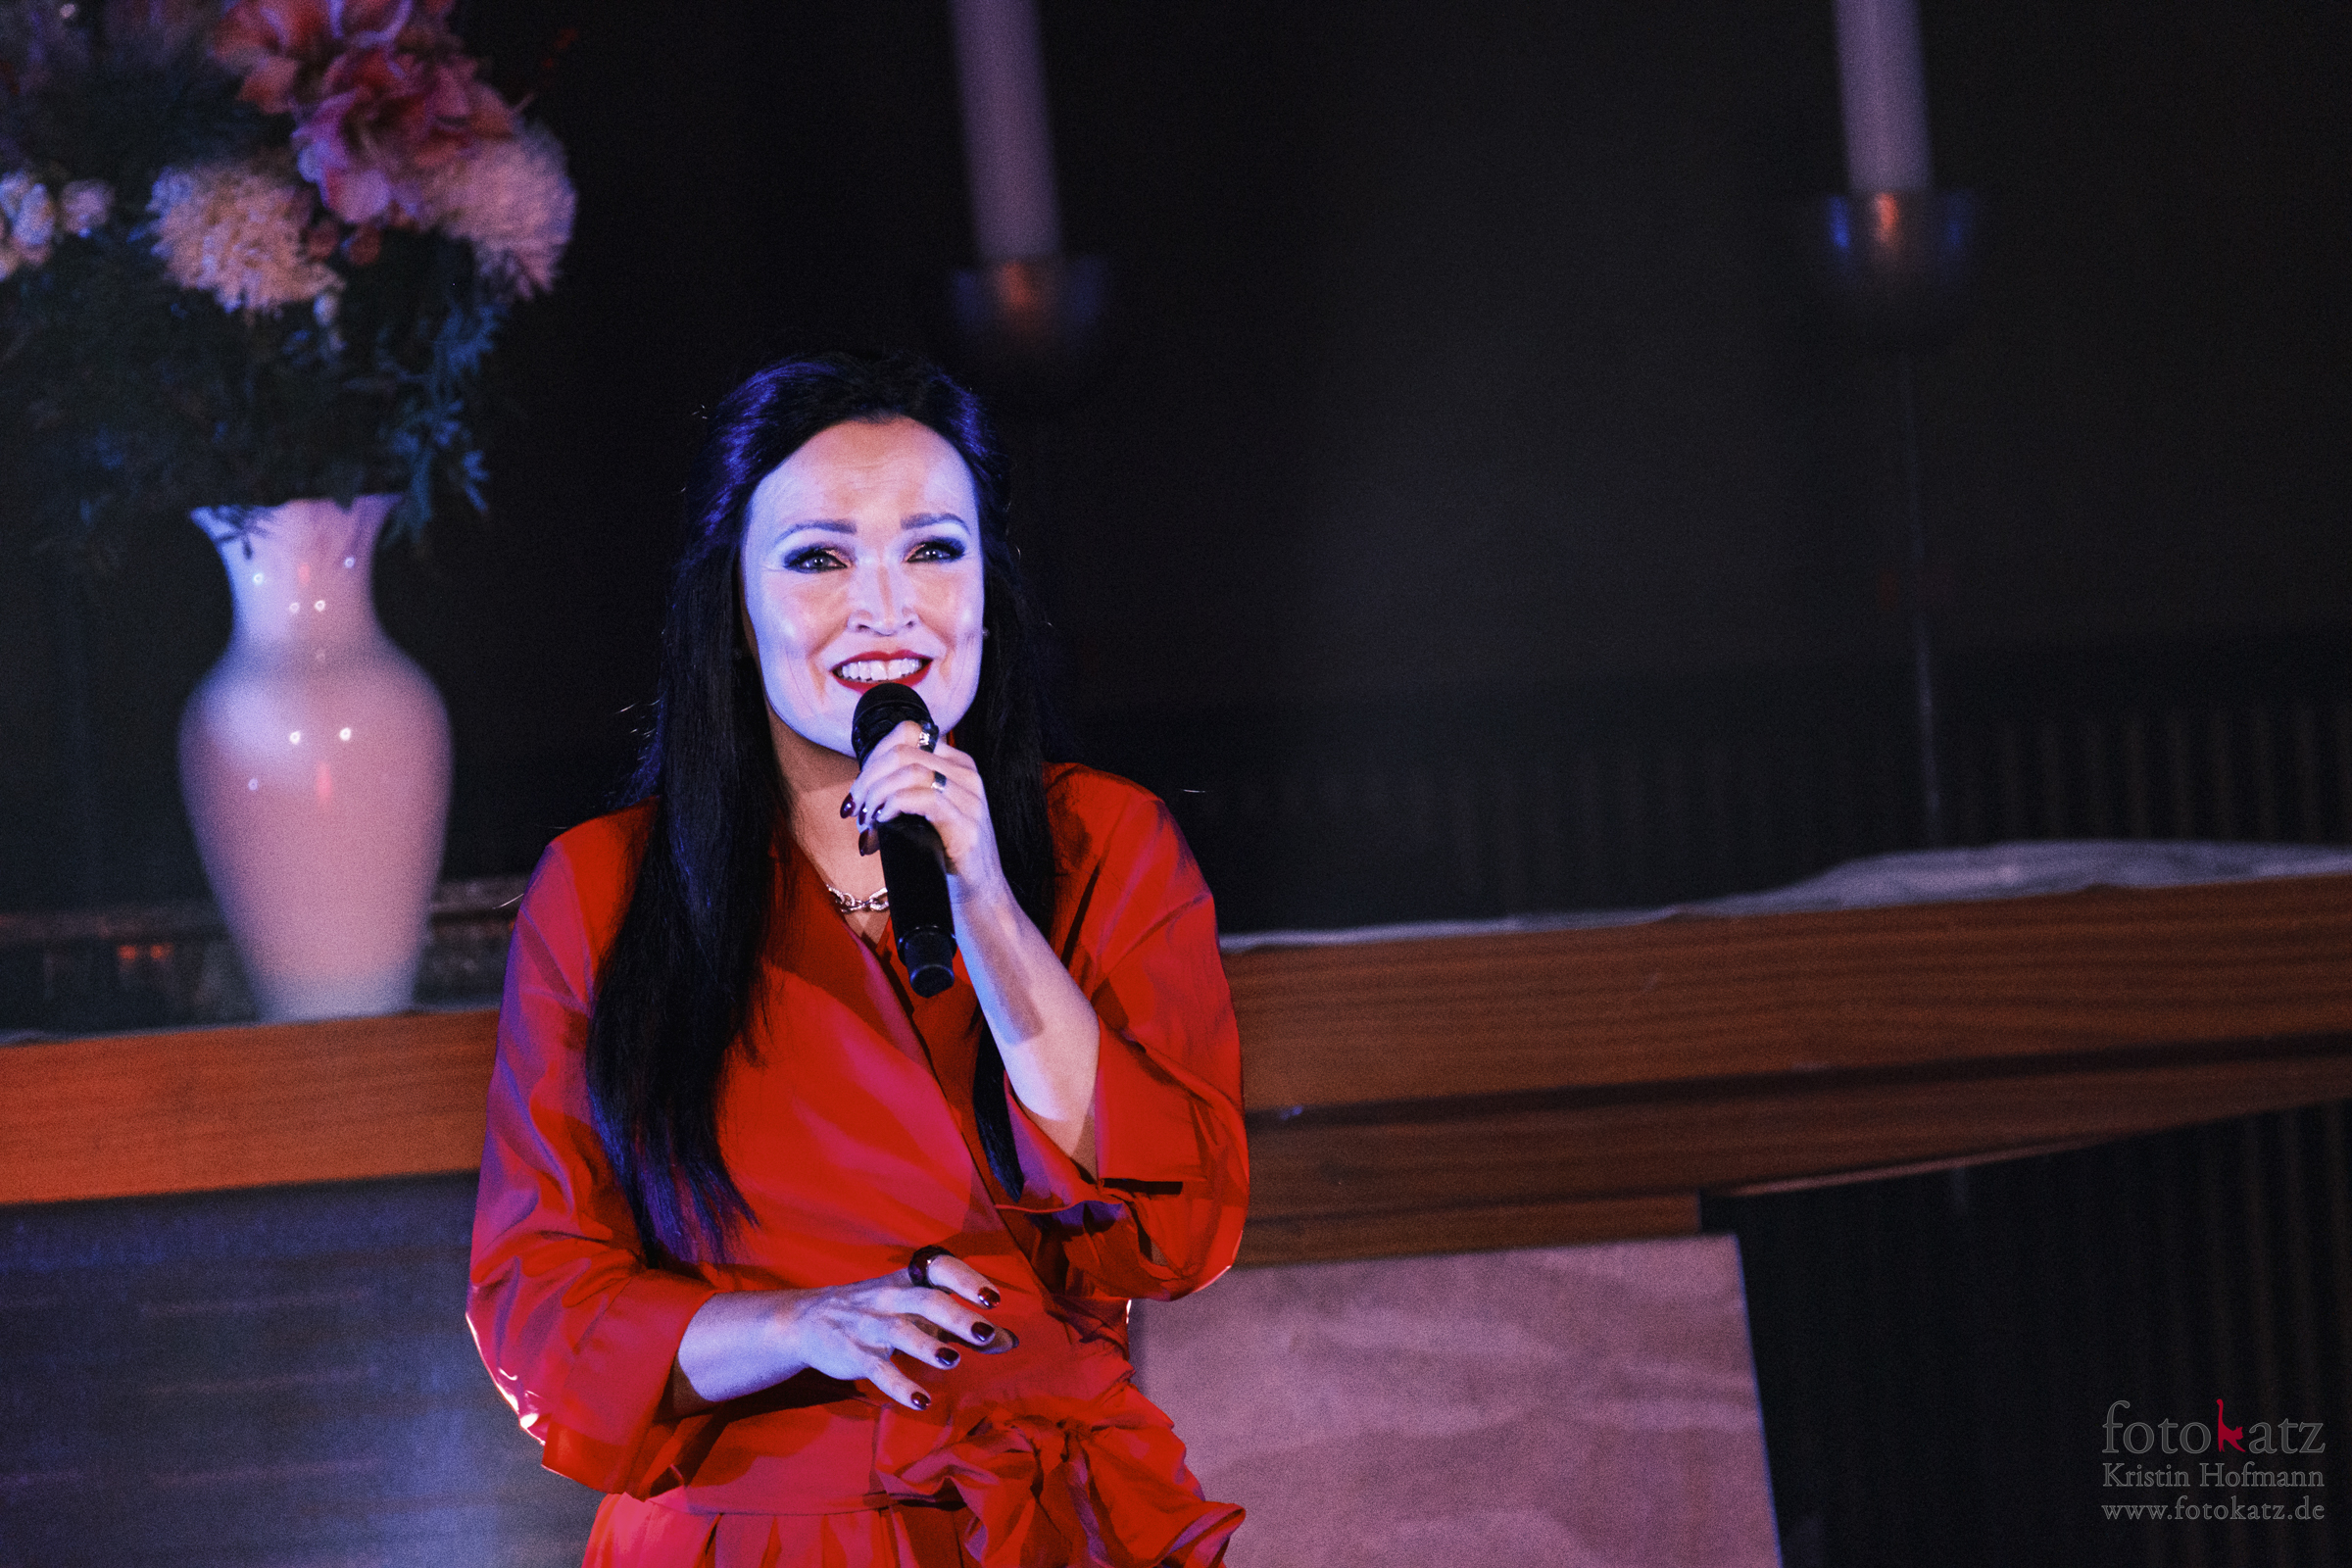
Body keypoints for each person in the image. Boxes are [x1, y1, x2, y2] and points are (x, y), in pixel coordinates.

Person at [466, 353, 1250, 1566]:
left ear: (988, 587)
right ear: (735, 606)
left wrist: (987, 900)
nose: (886, 611)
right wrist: (796, 1325)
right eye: (819, 559)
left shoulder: (1108, 842)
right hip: (752, 1532)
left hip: (1039, 1519)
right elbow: (539, 1305)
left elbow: (1178, 1228)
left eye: (933, 549)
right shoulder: (606, 889)